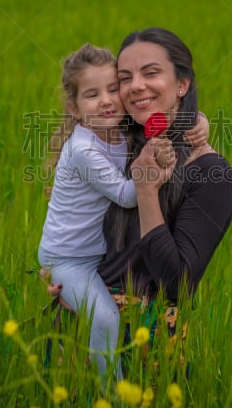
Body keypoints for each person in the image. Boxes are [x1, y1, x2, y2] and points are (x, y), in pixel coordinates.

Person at [37, 43, 208, 383]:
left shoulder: (118, 126)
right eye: (92, 94)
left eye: (114, 89)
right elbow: (128, 195)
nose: (106, 100)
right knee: (105, 319)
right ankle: (111, 394)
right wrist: (153, 173)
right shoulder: (85, 148)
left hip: (91, 256)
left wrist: (198, 120)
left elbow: (162, 116)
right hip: (70, 259)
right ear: (74, 108)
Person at [98, 27, 232, 320]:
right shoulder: (114, 148)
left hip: (147, 343)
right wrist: (60, 273)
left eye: (150, 73)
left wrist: (147, 192)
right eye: (125, 78)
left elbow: (176, 284)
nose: (135, 86)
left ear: (182, 84)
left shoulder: (210, 173)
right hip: (75, 328)